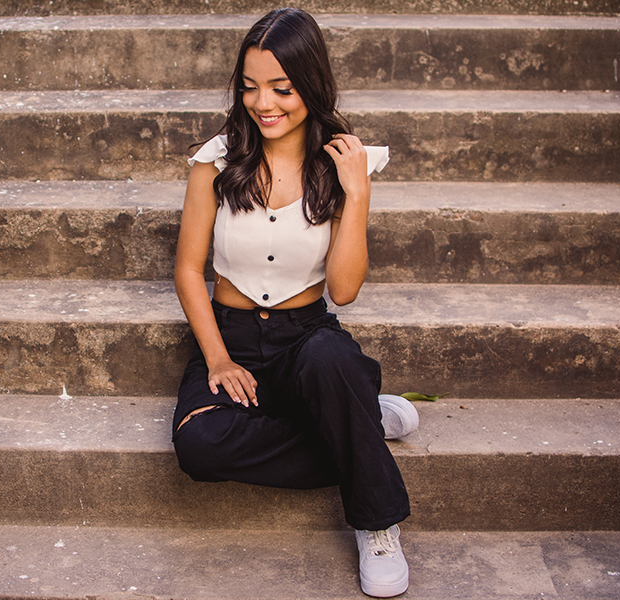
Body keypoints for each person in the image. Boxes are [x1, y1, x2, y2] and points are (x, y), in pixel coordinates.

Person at [171, 8, 417, 598]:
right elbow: (187, 270)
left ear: (311, 82)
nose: (265, 103)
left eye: (282, 88)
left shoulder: (343, 166)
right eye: (250, 87)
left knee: (331, 361)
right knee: (198, 445)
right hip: (230, 336)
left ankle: (376, 524)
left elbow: (344, 291)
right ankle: (359, 422)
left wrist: (357, 192)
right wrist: (218, 359)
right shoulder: (216, 162)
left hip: (306, 337)